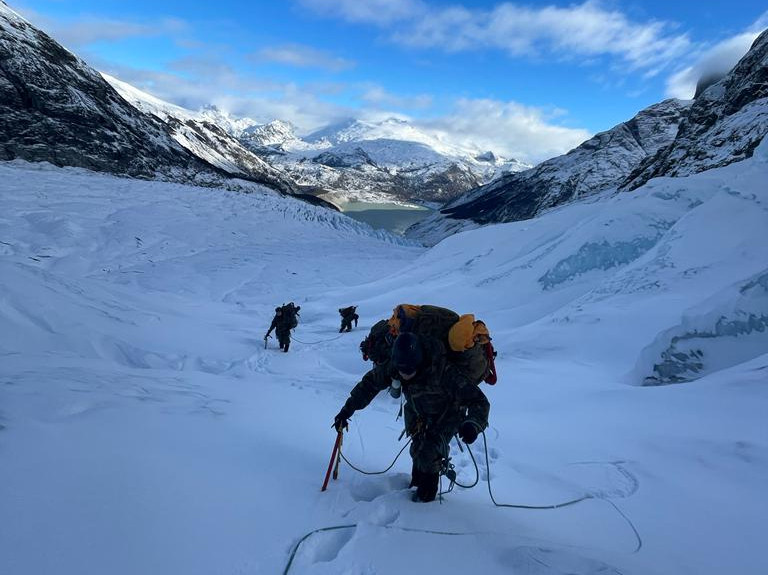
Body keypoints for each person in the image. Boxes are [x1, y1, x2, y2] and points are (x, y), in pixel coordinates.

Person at [334, 331, 490, 502]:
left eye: (409, 370)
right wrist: (347, 410)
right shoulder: (397, 363)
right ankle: (416, 486)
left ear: (419, 361)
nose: (404, 374)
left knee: (429, 452)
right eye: (401, 370)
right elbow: (369, 384)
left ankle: (425, 502)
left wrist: (472, 424)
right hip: (418, 412)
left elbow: (479, 401)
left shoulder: (444, 371)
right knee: (417, 449)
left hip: (448, 414)